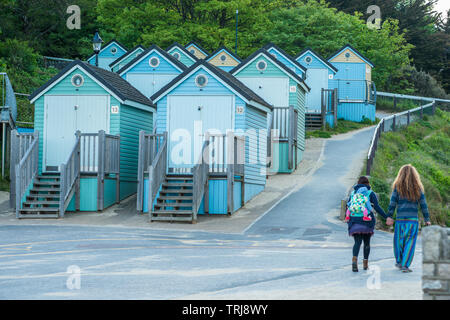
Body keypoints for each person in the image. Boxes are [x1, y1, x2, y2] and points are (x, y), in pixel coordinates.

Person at [386, 164, 431, 273]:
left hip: (400, 220)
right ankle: (405, 265)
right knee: (410, 242)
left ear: (400, 174)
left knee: (398, 241)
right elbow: (423, 205)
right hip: (412, 221)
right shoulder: (418, 188)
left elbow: (392, 203)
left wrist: (389, 216)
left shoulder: (397, 187)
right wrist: (427, 219)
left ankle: (399, 261)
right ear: (415, 176)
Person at [346, 176, 389, 272]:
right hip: (367, 221)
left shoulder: (353, 193)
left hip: (354, 220)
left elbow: (348, 206)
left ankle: (354, 261)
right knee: (366, 243)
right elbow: (377, 207)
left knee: (357, 242)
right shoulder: (370, 193)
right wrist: (386, 217)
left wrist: (349, 218)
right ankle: (365, 264)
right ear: (367, 184)